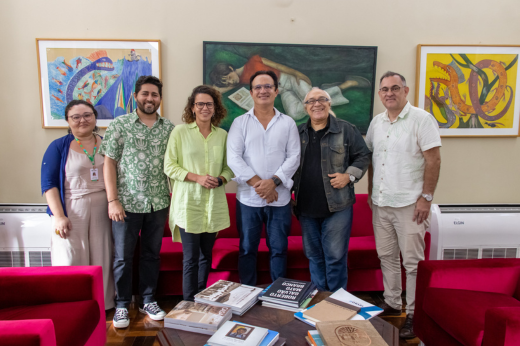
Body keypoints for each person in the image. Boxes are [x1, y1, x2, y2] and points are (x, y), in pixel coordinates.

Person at [365, 71, 441, 339]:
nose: (389, 93)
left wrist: (426, 197)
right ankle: (392, 303)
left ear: (405, 91)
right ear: (380, 94)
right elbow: (373, 161)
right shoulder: (377, 123)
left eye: (395, 88)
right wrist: (371, 194)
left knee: (412, 263)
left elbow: (434, 160)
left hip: (411, 204)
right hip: (381, 203)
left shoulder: (422, 119)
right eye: (385, 89)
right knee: (386, 257)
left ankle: (413, 314)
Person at [99, 76, 174, 328]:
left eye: (154, 94)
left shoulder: (169, 128)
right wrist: (113, 200)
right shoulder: (120, 125)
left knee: (151, 255)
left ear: (160, 98)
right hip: (126, 203)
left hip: (159, 201)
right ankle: (121, 304)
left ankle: (148, 299)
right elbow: (108, 162)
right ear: (135, 96)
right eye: (145, 94)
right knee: (122, 257)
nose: (149, 99)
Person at [292, 87, 371, 292]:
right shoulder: (296, 132)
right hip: (305, 207)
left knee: (335, 257)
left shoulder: (346, 129)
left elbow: (363, 156)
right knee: (314, 256)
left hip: (338, 205)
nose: (317, 104)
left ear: (330, 103)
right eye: (311, 101)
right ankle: (319, 299)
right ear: (305, 107)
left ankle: (337, 301)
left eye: (322, 99)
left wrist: (349, 175)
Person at [227, 70, 300, 286]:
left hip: (280, 199)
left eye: (268, 86)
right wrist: (261, 185)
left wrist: (273, 182)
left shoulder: (288, 123)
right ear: (251, 92)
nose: (263, 91)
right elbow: (233, 158)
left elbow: (294, 157)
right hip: (249, 199)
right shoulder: (240, 123)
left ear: (276, 91)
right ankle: (247, 293)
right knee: (247, 249)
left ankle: (277, 295)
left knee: (278, 249)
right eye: (258, 87)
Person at [41, 99, 115, 310]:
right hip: (72, 210)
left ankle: (103, 305)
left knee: (103, 257)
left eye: (87, 115)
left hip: (104, 209)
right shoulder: (58, 146)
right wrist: (59, 216)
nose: (82, 120)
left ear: (94, 118)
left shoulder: (107, 142)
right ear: (68, 121)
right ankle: (72, 307)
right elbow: (49, 184)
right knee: (71, 258)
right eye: (76, 117)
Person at [164, 85, 234, 301]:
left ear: (215, 108)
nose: (205, 108)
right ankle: (187, 303)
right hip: (188, 205)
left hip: (212, 205)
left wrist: (221, 178)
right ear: (192, 108)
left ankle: (201, 300)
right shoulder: (179, 131)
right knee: (190, 258)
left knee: (206, 257)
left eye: (209, 104)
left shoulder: (222, 135)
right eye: (200, 104)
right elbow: (169, 166)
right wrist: (198, 177)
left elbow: (230, 167)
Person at [210, 55, 370, 120]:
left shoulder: (254, 60)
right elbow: (216, 90)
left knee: (312, 102)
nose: (231, 82)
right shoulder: (239, 81)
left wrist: (297, 74)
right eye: (227, 82)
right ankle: (326, 90)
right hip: (283, 90)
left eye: (229, 78)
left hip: (290, 79)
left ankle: (348, 84)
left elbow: (278, 65)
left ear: (231, 68)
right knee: (295, 114)